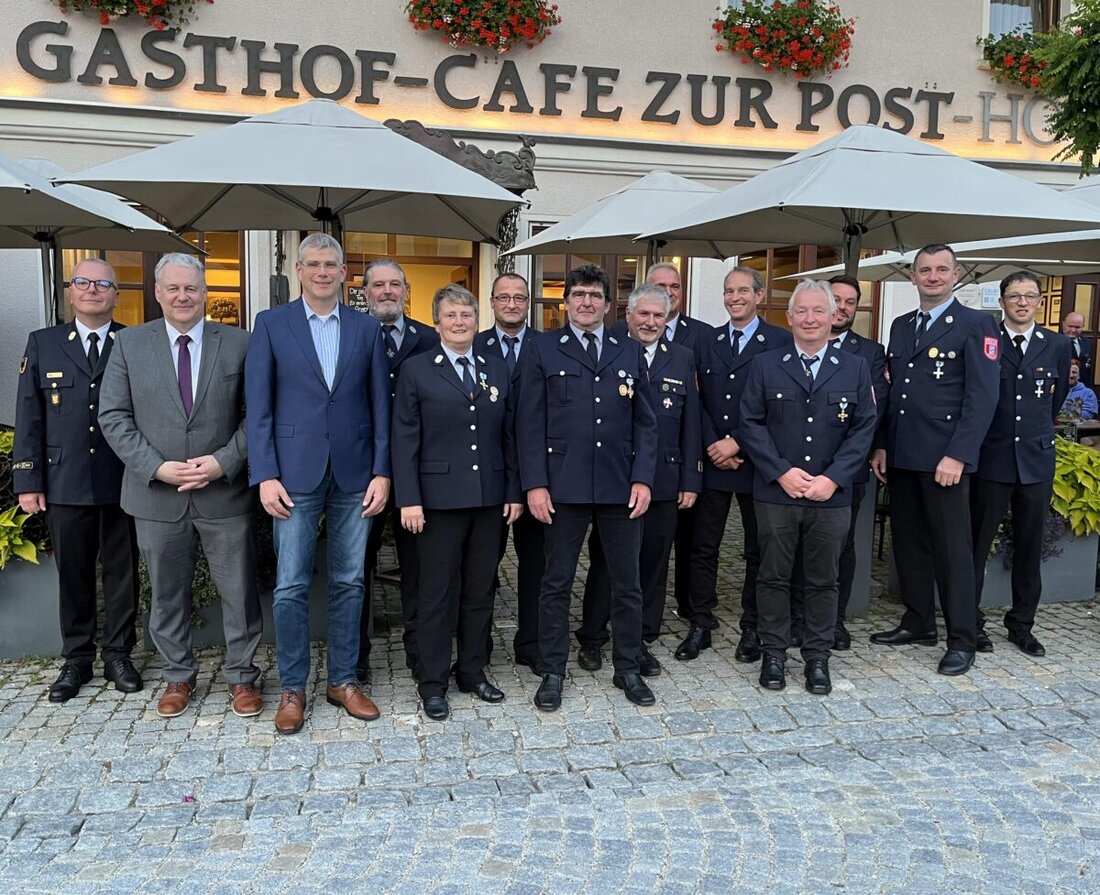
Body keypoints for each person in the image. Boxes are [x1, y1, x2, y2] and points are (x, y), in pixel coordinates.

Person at [99, 254, 262, 719]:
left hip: (223, 491)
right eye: (173, 288)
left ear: (206, 291)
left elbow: (257, 415)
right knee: (167, 593)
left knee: (238, 591)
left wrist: (222, 462)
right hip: (156, 493)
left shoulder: (239, 343)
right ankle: (177, 675)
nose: (182, 296)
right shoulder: (129, 344)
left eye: (191, 288)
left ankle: (242, 677)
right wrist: (156, 467)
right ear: (157, 292)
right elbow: (113, 415)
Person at [246, 233, 390, 735]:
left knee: (351, 580)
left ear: (345, 272)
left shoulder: (366, 329)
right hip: (292, 473)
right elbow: (258, 408)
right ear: (299, 270)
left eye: (332, 264)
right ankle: (292, 688)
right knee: (290, 585)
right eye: (314, 264)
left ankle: (343, 680)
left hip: (355, 473)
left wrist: (383, 470)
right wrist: (264, 473)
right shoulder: (271, 325)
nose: (323, 272)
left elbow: (381, 406)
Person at [517, 262, 658, 711]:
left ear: (607, 304)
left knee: (627, 583)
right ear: (566, 302)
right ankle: (554, 668)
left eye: (595, 296)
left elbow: (647, 424)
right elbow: (528, 422)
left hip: (619, 486)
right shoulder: (542, 348)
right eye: (578, 294)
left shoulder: (629, 350)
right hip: (563, 488)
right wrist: (535, 484)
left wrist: (643, 478)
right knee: (555, 582)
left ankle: (628, 667)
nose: (586, 302)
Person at [392, 284, 523, 720]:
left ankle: (472, 670)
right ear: (437, 323)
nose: (460, 322)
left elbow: (508, 436)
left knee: (479, 591)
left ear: (476, 320)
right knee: (436, 594)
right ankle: (432, 681)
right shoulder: (417, 370)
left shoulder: (495, 367)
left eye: (466, 315)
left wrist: (512, 493)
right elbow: (404, 440)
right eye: (451, 316)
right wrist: (408, 499)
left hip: (488, 500)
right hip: (436, 503)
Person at [13, 259, 141, 703]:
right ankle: (77, 657)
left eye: (103, 283)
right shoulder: (44, 343)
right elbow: (28, 415)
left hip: (122, 477)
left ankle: (119, 653)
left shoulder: (134, 342)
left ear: (115, 294)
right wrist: (28, 479)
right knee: (73, 572)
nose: (92, 290)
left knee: (122, 572)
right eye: (83, 282)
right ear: (71, 291)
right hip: (64, 478)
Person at [740, 280, 876, 694]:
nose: (811, 319)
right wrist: (781, 471)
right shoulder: (766, 364)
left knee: (823, 580)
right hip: (776, 492)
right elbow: (750, 423)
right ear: (790, 317)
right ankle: (775, 654)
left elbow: (864, 426)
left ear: (834, 316)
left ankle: (817, 657)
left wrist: (834, 477)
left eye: (819, 311)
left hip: (830, 495)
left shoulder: (854, 367)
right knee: (773, 576)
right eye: (802, 311)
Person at [870, 244, 1000, 676]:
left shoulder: (977, 323)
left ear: (956, 274)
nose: (932, 276)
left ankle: (962, 637)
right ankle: (918, 620)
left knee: (952, 551)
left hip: (946, 460)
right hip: (905, 454)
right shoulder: (901, 325)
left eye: (941, 269)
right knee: (908, 546)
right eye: (924, 270)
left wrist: (959, 454)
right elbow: (895, 394)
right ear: (912, 277)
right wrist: (885, 444)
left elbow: (982, 398)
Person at [577, 284, 701, 676]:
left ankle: (641, 640)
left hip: (663, 478)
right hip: (614, 477)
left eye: (658, 316)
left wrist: (691, 479)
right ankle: (593, 636)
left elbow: (691, 422)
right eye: (643, 314)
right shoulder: (608, 347)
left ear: (667, 319)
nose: (650, 322)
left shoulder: (682, 357)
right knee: (606, 562)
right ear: (627, 316)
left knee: (652, 563)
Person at [679, 266, 793, 663]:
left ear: (759, 296)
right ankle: (700, 622)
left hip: (756, 460)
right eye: (729, 291)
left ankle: (753, 626)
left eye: (743, 291)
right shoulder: (705, 341)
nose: (735, 298)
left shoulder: (780, 340)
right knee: (701, 547)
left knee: (757, 549)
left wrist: (736, 442)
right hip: (712, 462)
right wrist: (713, 442)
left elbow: (778, 404)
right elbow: (697, 400)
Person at [971, 271, 1071, 658]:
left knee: (1029, 548)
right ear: (1002, 302)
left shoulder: (1058, 345)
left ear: (1040, 302)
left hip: (1035, 460)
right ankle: (972, 622)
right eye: (1015, 296)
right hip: (992, 459)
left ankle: (1021, 624)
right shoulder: (986, 341)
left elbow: (1054, 399)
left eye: (1030, 296)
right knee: (977, 545)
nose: (1023, 303)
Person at [789, 274, 889, 650]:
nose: (843, 307)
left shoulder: (869, 353)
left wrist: (837, 471)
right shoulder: (793, 345)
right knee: (794, 548)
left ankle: (834, 621)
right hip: (794, 472)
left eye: (850, 302)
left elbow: (874, 412)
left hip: (843, 472)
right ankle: (797, 617)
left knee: (839, 546)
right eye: (837, 299)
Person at [360, 258, 439, 681]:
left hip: (417, 472)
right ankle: (355, 656)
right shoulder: (353, 336)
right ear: (365, 291)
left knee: (418, 567)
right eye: (378, 285)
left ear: (406, 291)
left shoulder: (430, 339)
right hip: (363, 471)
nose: (387, 291)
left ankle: (418, 650)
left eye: (395, 285)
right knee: (356, 566)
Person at [474, 272, 544, 673]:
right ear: (493, 302)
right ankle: (477, 648)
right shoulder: (473, 345)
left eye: (519, 298)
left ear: (528, 302)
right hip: (487, 476)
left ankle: (531, 644)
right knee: (483, 568)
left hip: (536, 476)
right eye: (505, 297)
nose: (512, 304)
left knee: (537, 566)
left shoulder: (549, 347)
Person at [643, 263, 714, 622]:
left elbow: (699, 409)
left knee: (683, 545)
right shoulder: (619, 338)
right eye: (661, 286)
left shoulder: (702, 337)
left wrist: (693, 473)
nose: (669, 292)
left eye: (675, 286)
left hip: (673, 467)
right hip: (627, 470)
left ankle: (686, 607)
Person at [1061, 311, 1093, 382]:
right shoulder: (1053, 342)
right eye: (1070, 326)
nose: (1073, 330)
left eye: (1077, 327)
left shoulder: (1088, 344)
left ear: (1083, 327)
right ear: (1063, 324)